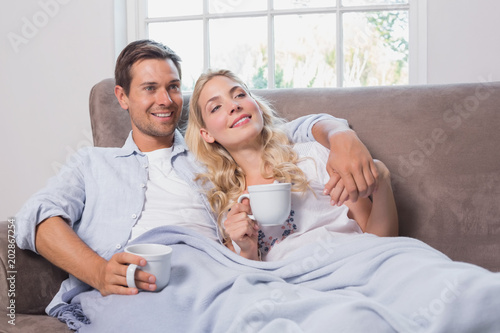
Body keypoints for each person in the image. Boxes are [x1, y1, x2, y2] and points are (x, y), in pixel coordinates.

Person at [15, 40, 379, 314]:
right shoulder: (92, 164)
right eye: (149, 88)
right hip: (129, 282)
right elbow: (35, 216)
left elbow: (277, 130)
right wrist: (97, 272)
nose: (166, 99)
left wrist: (340, 134)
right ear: (122, 97)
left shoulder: (210, 150)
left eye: (173, 87)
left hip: (212, 274)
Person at [185, 69, 399, 260]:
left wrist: (382, 181)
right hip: (293, 289)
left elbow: (379, 242)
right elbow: (252, 286)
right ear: (206, 134)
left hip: (355, 264)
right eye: (216, 107)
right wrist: (248, 250)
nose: (234, 106)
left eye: (239, 95)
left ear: (256, 105)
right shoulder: (225, 206)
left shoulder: (314, 156)